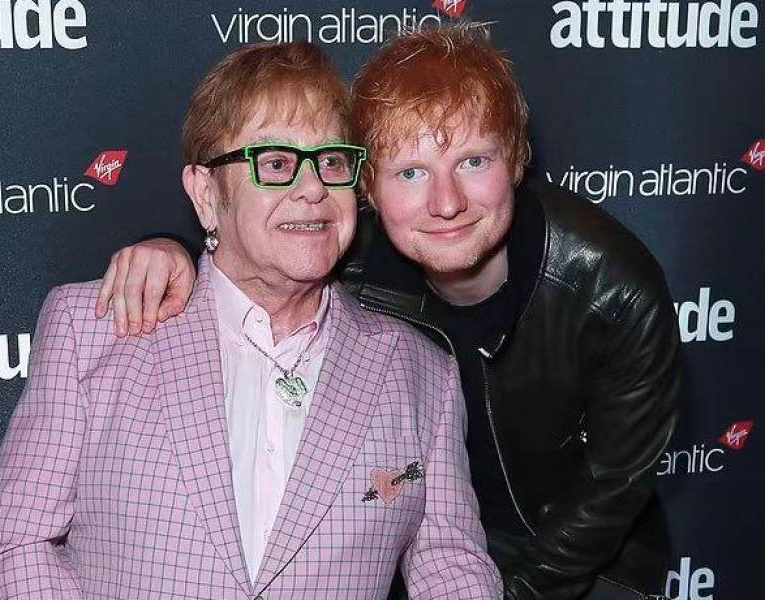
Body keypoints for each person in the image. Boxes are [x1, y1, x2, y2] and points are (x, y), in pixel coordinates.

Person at [95, 27, 682, 600]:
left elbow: (611, 491)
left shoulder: (613, 286)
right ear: (368, 185)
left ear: (518, 160)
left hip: (582, 558)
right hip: (419, 540)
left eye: (474, 161)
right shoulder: (345, 251)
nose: (446, 202)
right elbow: (249, 239)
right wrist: (168, 250)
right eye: (411, 172)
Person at [0, 41, 502, 600]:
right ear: (206, 194)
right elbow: (16, 546)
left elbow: (451, 568)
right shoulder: (94, 328)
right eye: (276, 163)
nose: (313, 188)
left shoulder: (423, 374)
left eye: (332, 161)